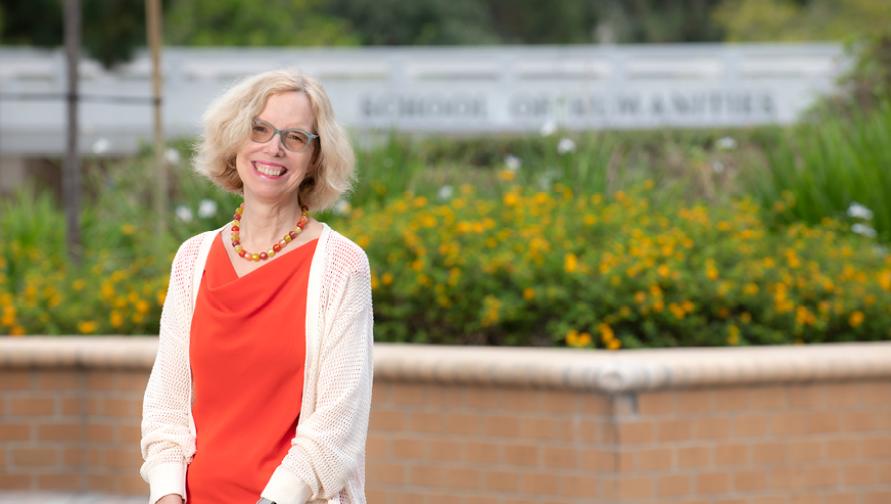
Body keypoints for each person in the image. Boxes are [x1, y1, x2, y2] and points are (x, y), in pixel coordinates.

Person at [139, 69, 374, 504]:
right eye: (259, 129)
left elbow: (337, 425)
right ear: (234, 139)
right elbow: (166, 405)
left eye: (295, 137)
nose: (274, 148)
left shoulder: (342, 266)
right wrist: (167, 495)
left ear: (315, 158)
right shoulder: (192, 259)